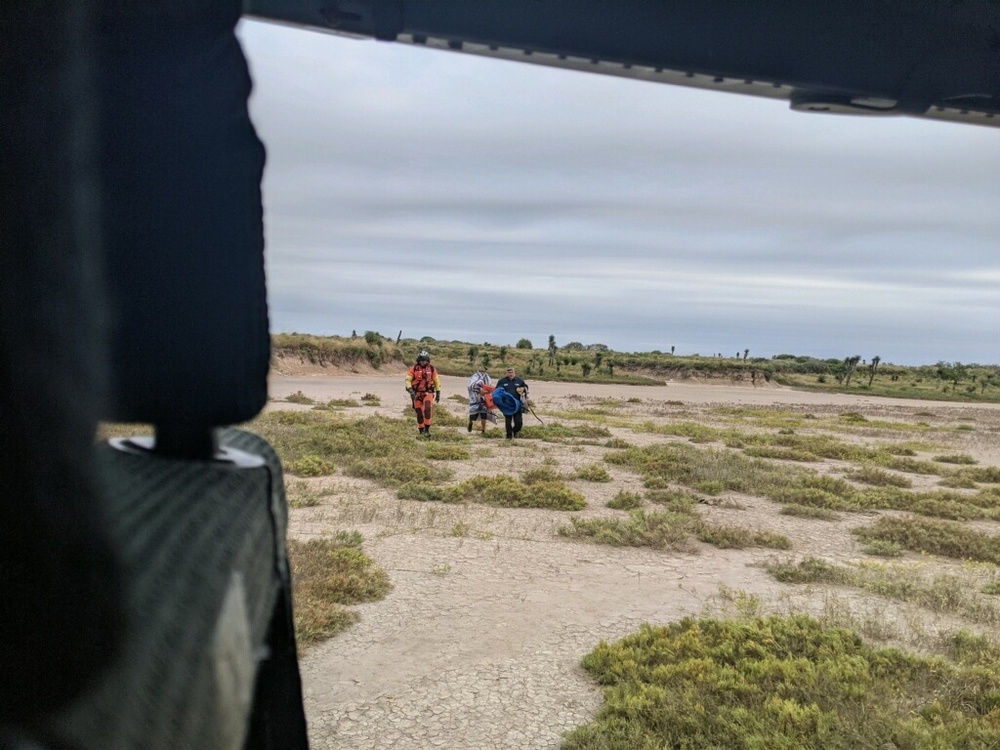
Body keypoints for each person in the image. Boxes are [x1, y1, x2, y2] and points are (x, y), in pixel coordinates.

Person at [406, 350, 441, 435]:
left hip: (428, 393)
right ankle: (421, 430)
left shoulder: (432, 369)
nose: (423, 362)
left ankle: (427, 429)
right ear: (418, 360)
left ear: (428, 360)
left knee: (428, 409)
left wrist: (438, 392)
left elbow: (436, 380)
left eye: (425, 360)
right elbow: (408, 380)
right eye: (422, 360)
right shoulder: (413, 369)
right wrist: (411, 390)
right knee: (419, 412)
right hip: (417, 394)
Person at [494, 366, 529, 439]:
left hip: (517, 404)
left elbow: (526, 387)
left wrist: (523, 389)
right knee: (508, 421)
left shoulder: (519, 380)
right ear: (506, 373)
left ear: (514, 373)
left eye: (512, 372)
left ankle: (515, 431)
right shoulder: (502, 381)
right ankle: (509, 436)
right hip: (507, 405)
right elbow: (497, 391)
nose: (511, 374)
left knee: (518, 422)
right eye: (509, 372)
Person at [466, 365, 494, 433]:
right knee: (473, 413)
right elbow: (470, 386)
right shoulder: (474, 377)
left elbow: (490, 386)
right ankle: (470, 422)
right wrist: (479, 390)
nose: (482, 372)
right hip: (475, 397)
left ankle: (483, 430)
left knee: (484, 414)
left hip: (485, 398)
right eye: (481, 370)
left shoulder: (487, 378)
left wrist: (487, 392)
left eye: (483, 370)